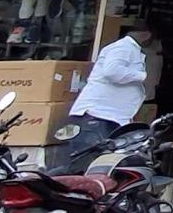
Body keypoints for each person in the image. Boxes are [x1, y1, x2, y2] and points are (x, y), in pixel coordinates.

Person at [64, 20, 157, 164]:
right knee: (87, 164)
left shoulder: (130, 49)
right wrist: (142, 76)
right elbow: (112, 71)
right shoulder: (123, 48)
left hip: (110, 117)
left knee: (103, 164)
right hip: (98, 116)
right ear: (147, 35)